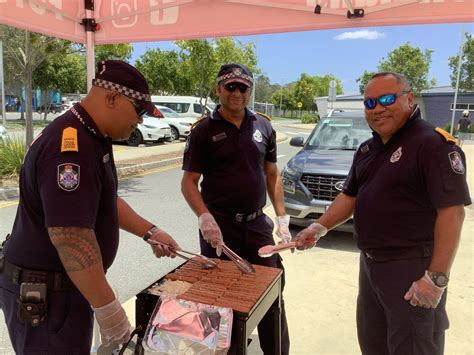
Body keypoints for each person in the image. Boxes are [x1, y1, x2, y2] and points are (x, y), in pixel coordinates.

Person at [0, 60, 181, 354]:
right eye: (138, 112)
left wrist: (150, 231)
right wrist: (109, 309)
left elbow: (102, 202)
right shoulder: (70, 147)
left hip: (66, 290)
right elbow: (71, 238)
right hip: (46, 298)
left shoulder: (93, 135)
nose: (140, 122)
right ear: (112, 98)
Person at [294, 72, 471, 355]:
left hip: (412, 269)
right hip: (372, 267)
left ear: (409, 99)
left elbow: (452, 214)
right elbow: (350, 195)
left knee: (413, 346)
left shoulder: (432, 145)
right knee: (374, 343)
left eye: (387, 99)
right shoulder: (368, 147)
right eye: (369, 103)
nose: (378, 109)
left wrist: (436, 278)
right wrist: (318, 227)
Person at [181, 63, 291, 354]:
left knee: (271, 294)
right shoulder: (203, 131)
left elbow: (272, 174)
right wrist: (205, 217)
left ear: (249, 91)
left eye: (243, 87)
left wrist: (282, 218)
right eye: (230, 86)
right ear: (219, 88)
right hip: (219, 230)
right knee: (219, 302)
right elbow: (189, 182)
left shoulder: (263, 126)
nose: (237, 93)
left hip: (257, 227)